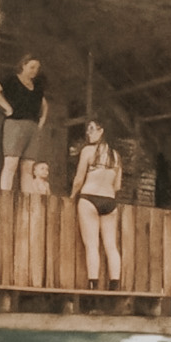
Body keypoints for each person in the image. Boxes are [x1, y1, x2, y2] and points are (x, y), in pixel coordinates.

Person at [71, 121, 122, 290]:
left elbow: (79, 179)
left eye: (92, 129)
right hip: (110, 201)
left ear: (102, 131)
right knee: (111, 245)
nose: (88, 133)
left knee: (92, 245)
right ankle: (115, 285)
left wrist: (72, 196)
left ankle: (93, 285)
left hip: (89, 198)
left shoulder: (87, 151)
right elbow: (118, 185)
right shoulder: (116, 156)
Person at [0, 54, 50, 192]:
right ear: (23, 65)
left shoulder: (37, 85)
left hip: (32, 126)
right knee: (11, 162)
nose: (34, 71)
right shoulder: (11, 80)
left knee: (28, 166)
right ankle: (5, 195)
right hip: (15, 123)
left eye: (37, 68)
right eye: (31, 67)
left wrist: (42, 121)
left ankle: (28, 199)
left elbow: (44, 104)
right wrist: (7, 107)